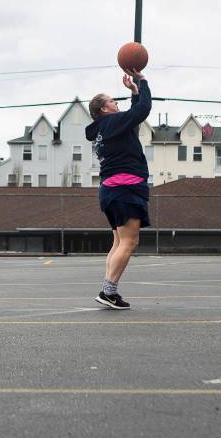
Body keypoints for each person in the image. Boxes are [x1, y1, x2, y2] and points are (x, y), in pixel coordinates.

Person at [86, 69, 151, 310]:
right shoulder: (112, 122)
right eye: (112, 101)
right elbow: (141, 111)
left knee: (118, 242)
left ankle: (110, 291)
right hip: (126, 187)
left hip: (110, 189)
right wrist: (142, 82)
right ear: (104, 109)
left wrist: (134, 93)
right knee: (129, 242)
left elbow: (133, 120)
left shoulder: (105, 128)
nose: (116, 102)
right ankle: (108, 291)